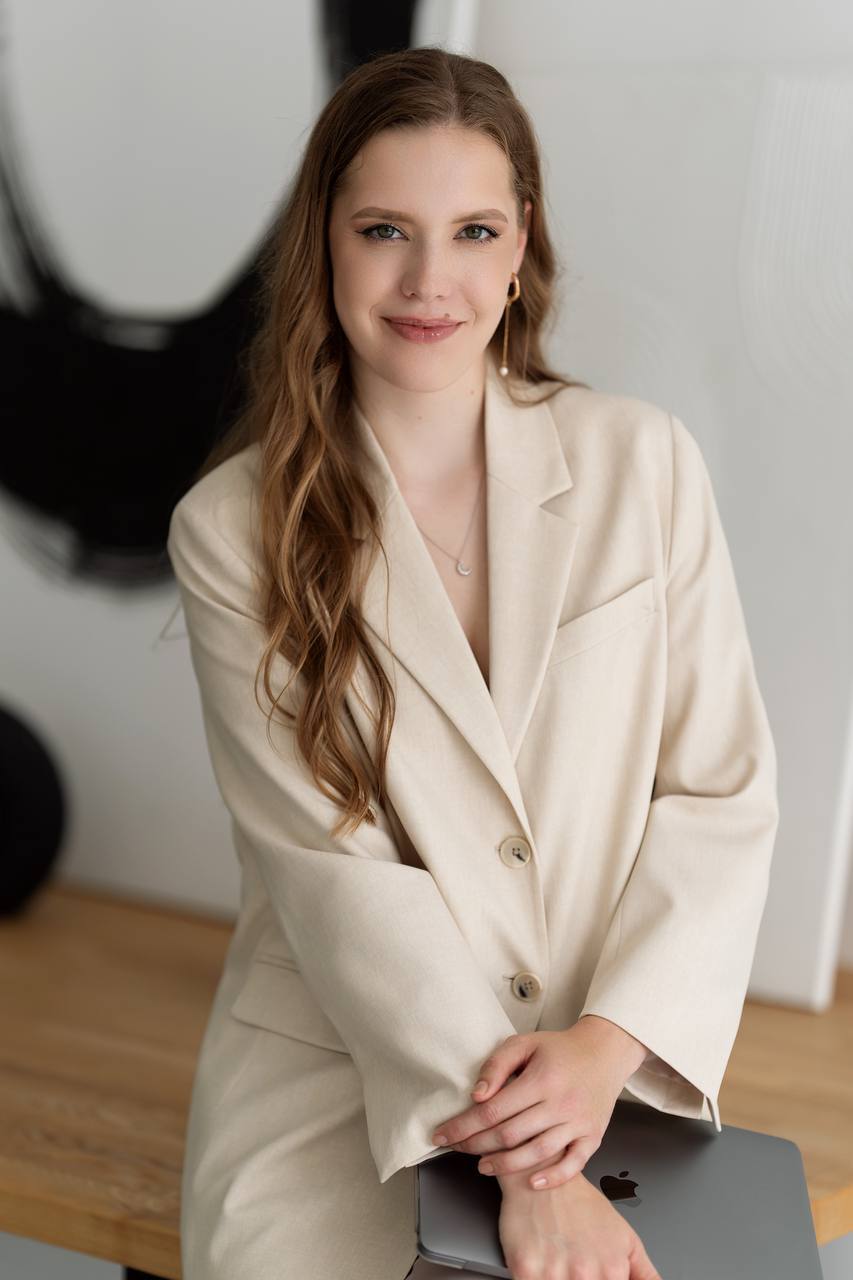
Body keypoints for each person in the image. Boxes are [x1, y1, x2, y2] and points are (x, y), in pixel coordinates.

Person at [167, 46, 779, 1280]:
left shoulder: (642, 464)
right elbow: (336, 879)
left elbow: (718, 792)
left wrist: (606, 1046)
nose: (427, 280)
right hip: (338, 1100)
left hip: (606, 1088)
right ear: (323, 241)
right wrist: (532, 1174)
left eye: (472, 231)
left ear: (519, 246)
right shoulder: (232, 529)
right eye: (384, 230)